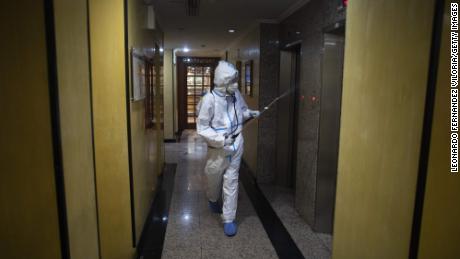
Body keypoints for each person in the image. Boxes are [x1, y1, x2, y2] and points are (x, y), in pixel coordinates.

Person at [196, 60, 260, 236]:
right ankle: (212, 198)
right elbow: (202, 127)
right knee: (213, 177)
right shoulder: (209, 100)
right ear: (223, 83)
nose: (236, 85)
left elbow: (241, 112)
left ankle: (229, 218)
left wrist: (250, 114)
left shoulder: (236, 94)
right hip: (217, 149)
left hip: (237, 144)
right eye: (232, 81)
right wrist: (221, 139)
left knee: (231, 181)